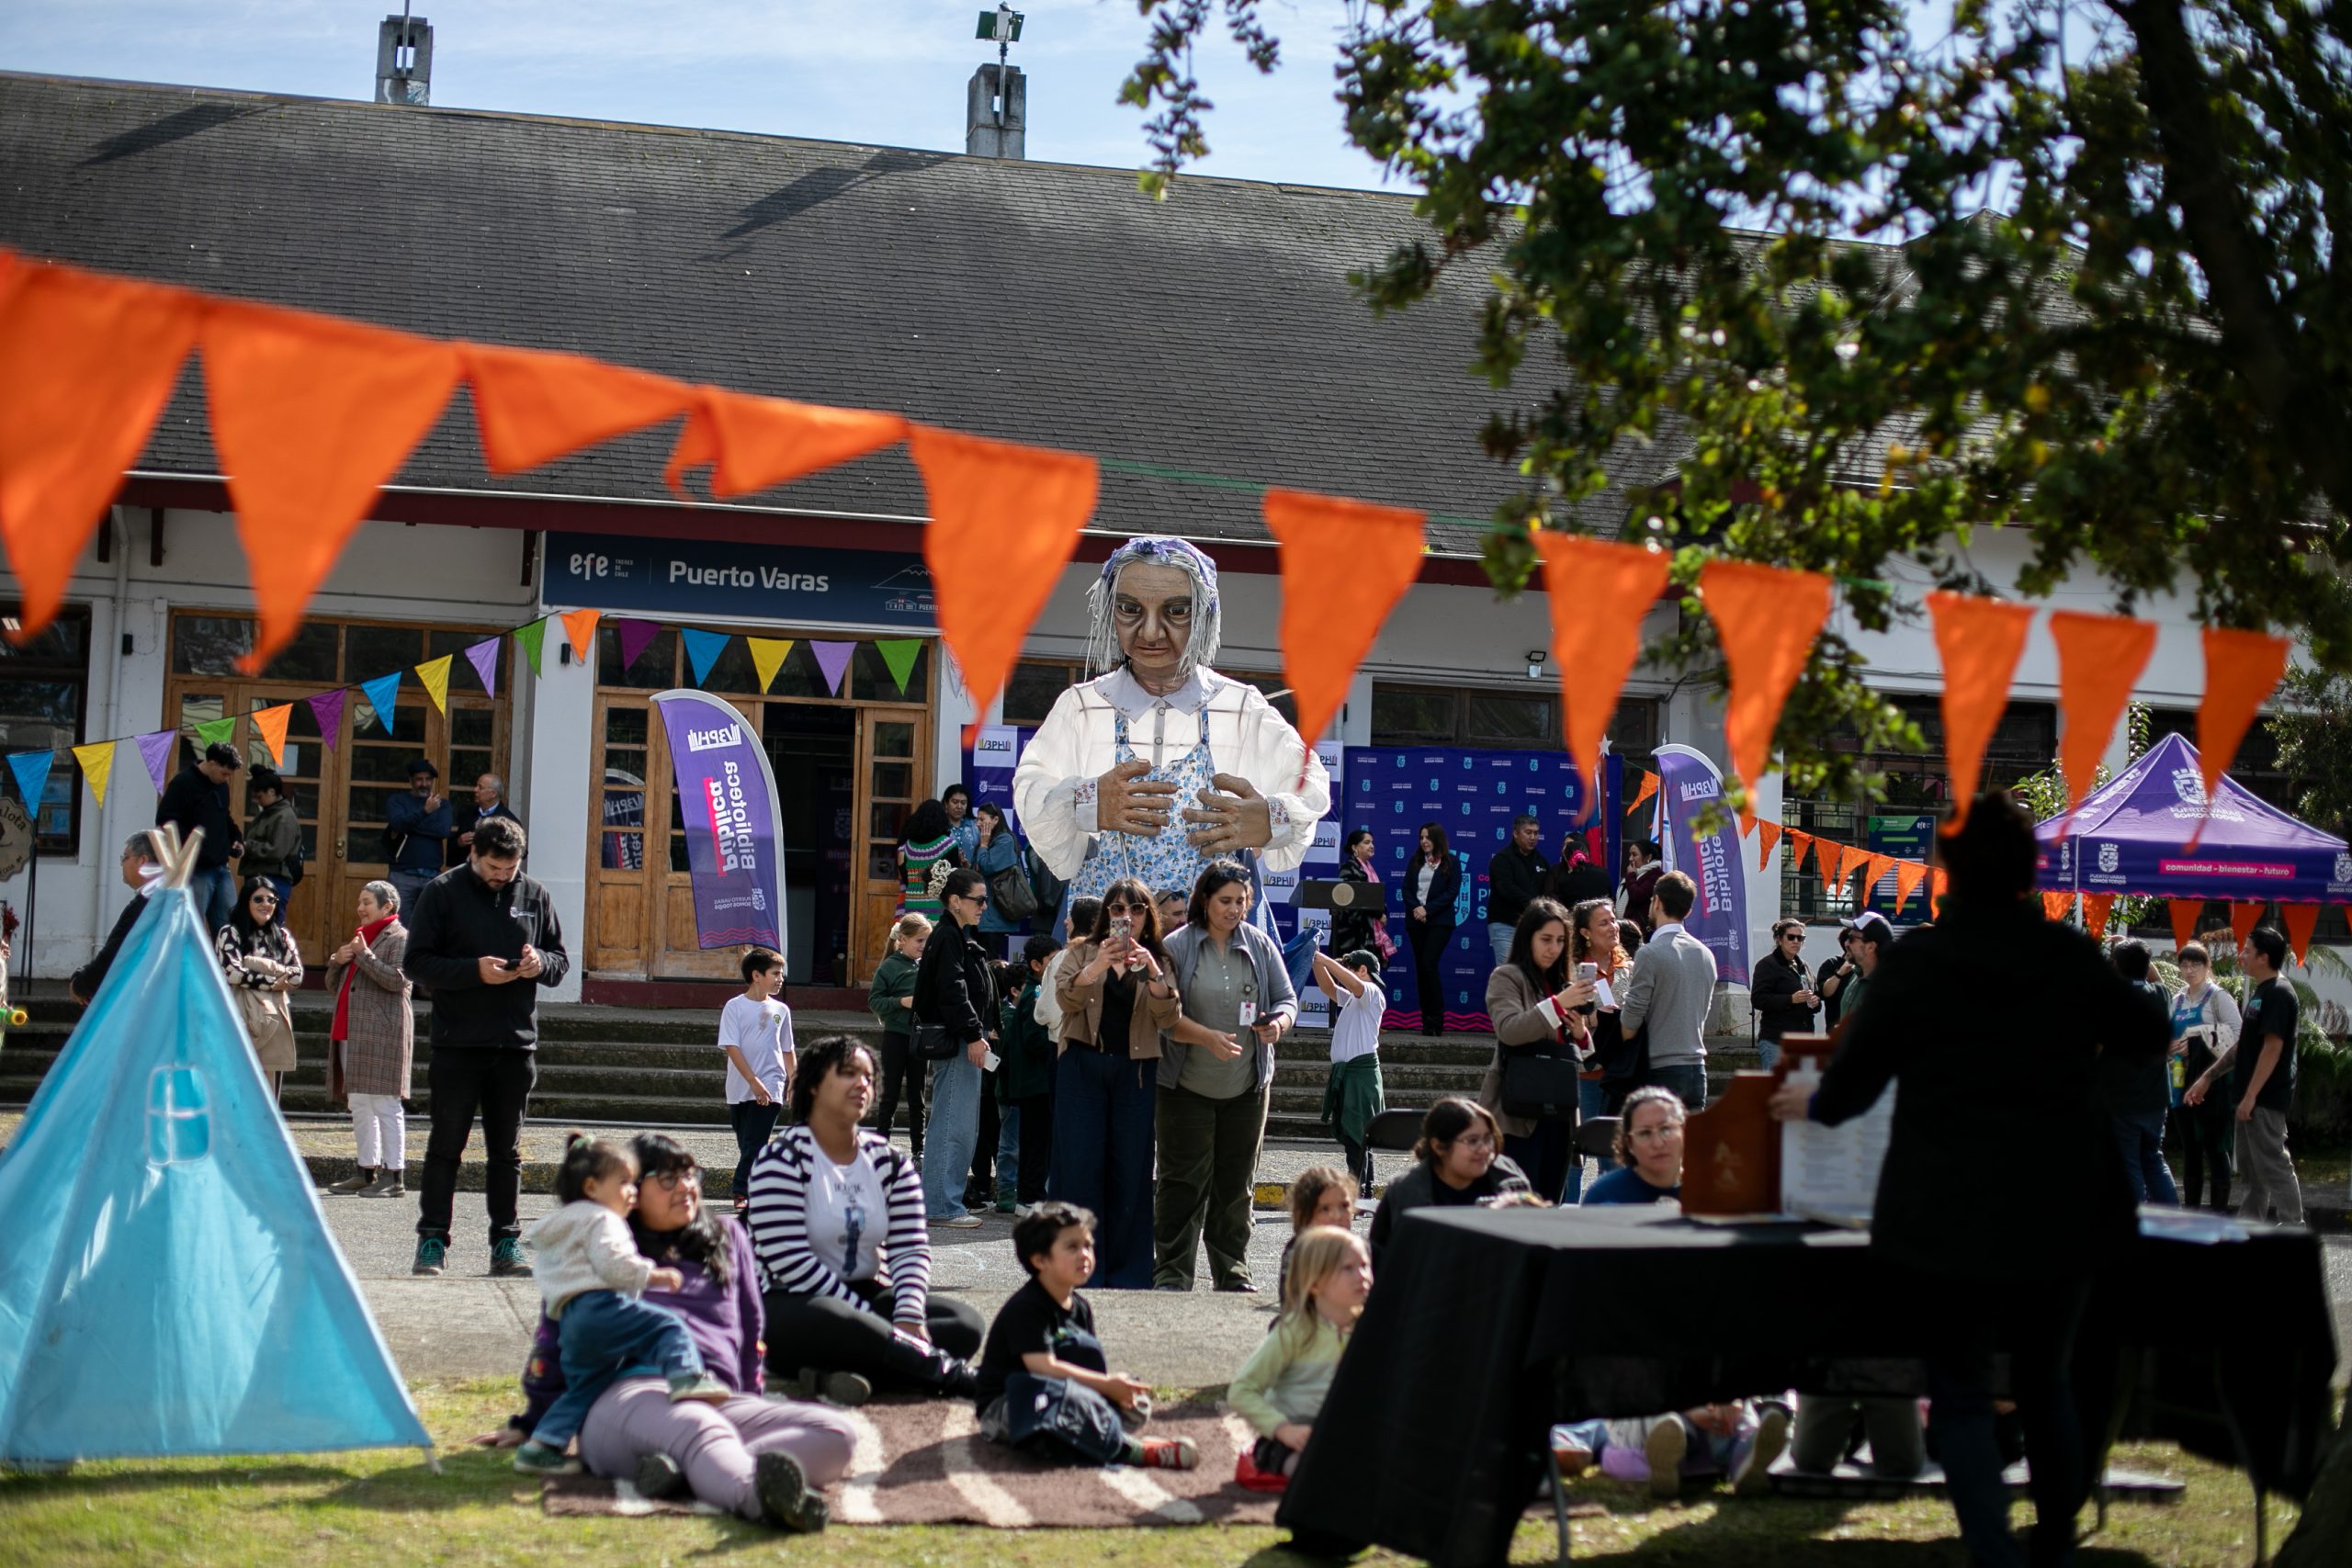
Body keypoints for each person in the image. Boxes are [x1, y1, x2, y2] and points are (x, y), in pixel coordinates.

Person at [1767, 790, 2169, 1568]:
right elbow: (2148, 1030)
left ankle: (1992, 1551)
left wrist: (1808, 1102)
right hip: (2063, 1202)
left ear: (1948, 870)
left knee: (1958, 1388)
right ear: (2028, 871)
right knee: (2047, 1381)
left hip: (1946, 1209)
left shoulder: (1920, 962)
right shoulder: (2062, 952)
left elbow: (1850, 1088)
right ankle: (2054, 1545)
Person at [495, 1132, 853, 1530]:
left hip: (711, 1393)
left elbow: (751, 1329)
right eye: (667, 1178)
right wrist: (531, 1423)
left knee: (837, 1433)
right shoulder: (603, 1244)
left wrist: (747, 1397)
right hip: (624, 1397)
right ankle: (760, 1499)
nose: (685, 1186)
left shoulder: (726, 1235)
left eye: (690, 1174)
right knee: (699, 1428)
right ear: (630, 1189)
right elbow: (556, 1337)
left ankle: (688, 1472)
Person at [1010, 533, 1329, 945]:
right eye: (1130, 609)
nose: (1151, 631)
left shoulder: (1239, 707)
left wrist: (1270, 819)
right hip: (1111, 932)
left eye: (1176, 611)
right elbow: (1031, 789)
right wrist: (1087, 801)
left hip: (1210, 938)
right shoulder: (1083, 707)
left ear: (1205, 615)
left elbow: (1309, 784)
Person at [746, 1033, 984, 1402]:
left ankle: (839, 1372)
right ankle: (949, 1375)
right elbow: (789, 1261)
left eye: (869, 1077)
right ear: (812, 1086)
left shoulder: (889, 1161)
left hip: (865, 1292)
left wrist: (908, 1315)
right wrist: (871, 1321)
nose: (862, 1084)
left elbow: (910, 1247)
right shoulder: (781, 1159)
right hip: (794, 1301)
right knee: (835, 1319)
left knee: (964, 1325)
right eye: (847, 1073)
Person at [403, 814, 570, 1279]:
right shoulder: (441, 892)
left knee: (507, 1153)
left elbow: (560, 961)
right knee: (445, 1147)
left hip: (515, 1044)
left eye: (510, 869)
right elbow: (416, 963)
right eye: (494, 868)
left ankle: (506, 1244)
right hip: (457, 1043)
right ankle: (432, 1241)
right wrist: (472, 971)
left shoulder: (535, 894)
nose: (502, 876)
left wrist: (540, 963)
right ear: (473, 854)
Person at [510, 1135, 730, 1476]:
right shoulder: (603, 1219)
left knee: (585, 1388)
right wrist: (652, 1275)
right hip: (600, 1305)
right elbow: (614, 1263)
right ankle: (686, 1378)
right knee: (667, 1327)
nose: (633, 1192)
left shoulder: (565, 1223)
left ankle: (541, 1446)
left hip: (570, 1319)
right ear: (592, 1187)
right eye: (625, 1182)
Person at [1157, 860, 1298, 1292]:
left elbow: (1287, 999)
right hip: (1185, 1088)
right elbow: (1163, 1016)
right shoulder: (1177, 945)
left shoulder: (1259, 943)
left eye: (1241, 901)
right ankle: (1172, 1272)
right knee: (1181, 1183)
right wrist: (1206, 1038)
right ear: (1204, 900)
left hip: (1246, 1087)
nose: (1234, 909)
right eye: (1225, 901)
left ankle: (1232, 1270)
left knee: (1236, 1185)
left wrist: (1278, 1025)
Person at [974, 1201, 1198, 1471]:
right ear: (1039, 1259)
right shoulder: (1027, 1307)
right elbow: (1043, 1369)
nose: (1085, 1255)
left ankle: (1087, 1430)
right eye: (1072, 1247)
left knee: (1136, 1404)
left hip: (1067, 1393)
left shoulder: (1081, 1307)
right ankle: (1131, 1451)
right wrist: (1105, 1385)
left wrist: (1114, 1388)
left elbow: (1085, 1362)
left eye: (1088, 1246)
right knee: (1062, 1404)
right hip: (1012, 1404)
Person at [1050, 877, 1182, 1287]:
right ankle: (1079, 1268)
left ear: (1148, 915)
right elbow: (1065, 999)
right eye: (1118, 909)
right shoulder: (1081, 951)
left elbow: (1169, 1018)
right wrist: (1097, 967)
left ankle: (1129, 1274)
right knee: (1079, 1168)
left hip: (1135, 1072)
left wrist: (1153, 972)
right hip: (1082, 1066)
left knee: (1132, 1169)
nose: (1127, 917)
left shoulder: (1159, 958)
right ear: (1106, 914)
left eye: (1136, 909)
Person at [1228, 1226, 1372, 1484]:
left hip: (1349, 1435)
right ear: (1314, 1283)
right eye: (1348, 1268)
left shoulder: (1374, 1329)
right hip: (1293, 1440)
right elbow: (1241, 1390)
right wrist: (1283, 1429)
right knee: (1316, 1469)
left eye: (1364, 1265)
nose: (1362, 1276)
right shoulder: (1293, 1332)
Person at [2185, 924, 2302, 1224]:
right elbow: (2244, 1046)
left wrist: (2252, 1095)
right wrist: (2208, 1077)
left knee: (2274, 1164)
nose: (2242, 956)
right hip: (2249, 1097)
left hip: (2265, 1097)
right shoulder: (2262, 991)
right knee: (2253, 1171)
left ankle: (2293, 1226)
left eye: (2248, 951)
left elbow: (2272, 1048)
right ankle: (2251, 1225)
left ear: (2264, 957)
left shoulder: (2279, 993)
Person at [1481, 897, 1597, 1203]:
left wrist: (1580, 1034)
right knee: (1515, 1207)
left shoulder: (1562, 983)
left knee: (1550, 1204)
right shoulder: (1507, 976)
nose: (1553, 948)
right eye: (1546, 939)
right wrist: (1558, 1004)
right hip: (1517, 1114)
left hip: (1559, 1113)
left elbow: (1585, 1058)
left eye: (1560, 940)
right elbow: (1510, 1030)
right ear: (1527, 937)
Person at [914, 866, 999, 1227]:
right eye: (978, 900)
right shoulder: (948, 936)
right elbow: (953, 992)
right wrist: (975, 1034)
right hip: (958, 1044)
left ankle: (942, 1201)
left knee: (958, 1125)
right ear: (955, 901)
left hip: (963, 1041)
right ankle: (941, 1205)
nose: (984, 906)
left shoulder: (953, 935)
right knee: (953, 1125)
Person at [1366, 1098, 1530, 1270]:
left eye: (1488, 1139)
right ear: (1438, 1146)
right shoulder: (1406, 1193)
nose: (1484, 1150)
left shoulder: (1510, 1179)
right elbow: (1382, 1264)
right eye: (1472, 1141)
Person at [323, 879, 412, 1198]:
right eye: (359, 902)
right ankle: (366, 1169)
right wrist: (338, 960)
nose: (360, 908)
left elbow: (398, 980)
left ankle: (395, 1175)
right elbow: (334, 985)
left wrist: (363, 956)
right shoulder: (362, 938)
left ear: (387, 906)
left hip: (383, 1032)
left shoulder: (400, 937)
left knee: (386, 1103)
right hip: (352, 1030)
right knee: (359, 1103)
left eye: (366, 902)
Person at [1619, 871, 1716, 1110]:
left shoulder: (1649, 953)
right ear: (1688, 911)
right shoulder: (1705, 954)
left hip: (1661, 1067)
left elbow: (1631, 1020)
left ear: (1657, 902)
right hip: (1697, 1067)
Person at [2167, 941, 2242, 1210]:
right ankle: (2192, 1214)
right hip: (2180, 1081)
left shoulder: (2218, 997)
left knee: (2215, 1148)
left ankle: (2218, 1215)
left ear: (2207, 966)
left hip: (2212, 1085)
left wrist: (2198, 1042)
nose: (2189, 970)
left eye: (2195, 965)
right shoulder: (2177, 1000)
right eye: (2184, 965)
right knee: (2190, 1150)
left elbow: (2238, 1037)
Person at [1568, 897, 1639, 1179]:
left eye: (1613, 921)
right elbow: (1562, 1018)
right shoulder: (1573, 970)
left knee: (1614, 1155)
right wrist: (1593, 1018)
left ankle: (1608, 1203)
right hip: (1584, 1072)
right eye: (1604, 923)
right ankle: (1568, 1205)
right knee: (1577, 1151)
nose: (1613, 927)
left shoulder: (1630, 968)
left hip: (1620, 1073)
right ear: (1585, 932)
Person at [720, 948, 794, 1213]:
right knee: (747, 1143)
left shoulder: (781, 1010)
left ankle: (741, 1190)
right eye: (775, 973)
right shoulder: (734, 1007)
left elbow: (787, 1048)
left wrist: (794, 1078)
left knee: (755, 1142)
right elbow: (731, 1046)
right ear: (756, 975)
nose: (780, 979)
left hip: (772, 1083)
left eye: (781, 974)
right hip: (740, 1086)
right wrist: (752, 1080)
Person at [216, 876, 302, 1102]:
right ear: (246, 901)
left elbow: (297, 975)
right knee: (237, 1088)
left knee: (269, 1095)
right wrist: (274, 980)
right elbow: (232, 972)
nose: (266, 904)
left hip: (275, 1016)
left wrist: (253, 965)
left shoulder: (282, 936)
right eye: (259, 899)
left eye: (271, 900)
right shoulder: (230, 933)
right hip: (240, 1016)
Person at [2105, 940, 2178, 1205]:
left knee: (2128, 1164)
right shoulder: (2161, 995)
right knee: (2153, 1159)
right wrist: (2136, 953)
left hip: (2122, 1097)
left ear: (2116, 965)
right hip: (2156, 1097)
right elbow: (2155, 977)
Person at [1310, 944, 1387, 1194]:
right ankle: (1362, 1190)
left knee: (1358, 1136)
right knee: (1353, 1136)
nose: (1346, 973)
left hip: (1361, 1074)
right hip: (1350, 1074)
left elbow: (1353, 984)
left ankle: (1360, 1191)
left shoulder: (1372, 991)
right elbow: (1329, 988)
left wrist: (1323, 958)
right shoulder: (1355, 999)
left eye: (1350, 969)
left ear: (1362, 970)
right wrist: (1315, 961)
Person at [997, 934, 1061, 1213]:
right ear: (1036, 964)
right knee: (1037, 1143)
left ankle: (1029, 1195)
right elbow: (1034, 1039)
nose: (1058, 965)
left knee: (1036, 1142)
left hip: (1035, 1082)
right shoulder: (1035, 993)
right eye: (1052, 960)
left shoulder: (1039, 989)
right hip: (1036, 1082)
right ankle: (1030, 1197)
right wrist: (1059, 1040)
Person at [157, 739, 242, 934]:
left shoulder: (222, 786)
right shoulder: (182, 783)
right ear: (211, 763)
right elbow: (166, 821)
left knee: (230, 927)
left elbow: (224, 817)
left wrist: (236, 838)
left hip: (221, 867)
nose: (226, 779)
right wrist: (195, 848)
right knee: (191, 926)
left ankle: (226, 956)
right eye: (224, 773)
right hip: (195, 868)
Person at [68, 830, 161, 1003]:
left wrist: (82, 984)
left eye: (125, 858)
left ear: (142, 861)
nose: (121, 864)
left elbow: (116, 954)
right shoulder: (170, 899)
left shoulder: (145, 906)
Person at [866, 912, 930, 1161]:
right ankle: (881, 1146)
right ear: (902, 939)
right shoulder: (889, 967)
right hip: (895, 1036)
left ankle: (919, 1149)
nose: (923, 946)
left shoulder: (928, 966)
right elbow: (875, 1001)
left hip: (920, 1038)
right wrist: (901, 1002)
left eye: (926, 941)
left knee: (918, 1096)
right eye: (919, 941)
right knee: (889, 1094)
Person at [1580, 1086, 1686, 1204]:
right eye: (1644, 1133)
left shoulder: (1703, 1189)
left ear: (1685, 1132)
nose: (1658, 1143)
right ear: (1629, 1143)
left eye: (1666, 1130)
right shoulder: (1604, 1195)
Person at [1405, 822, 1460, 1036]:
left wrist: (1427, 909)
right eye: (1421, 837)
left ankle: (1437, 1019)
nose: (1424, 841)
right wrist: (1417, 909)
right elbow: (1406, 889)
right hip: (1416, 921)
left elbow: (1451, 892)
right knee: (1422, 969)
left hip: (1439, 921)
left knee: (1429, 965)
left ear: (1437, 839)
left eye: (1428, 837)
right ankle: (1427, 1021)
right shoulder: (1415, 861)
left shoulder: (1451, 862)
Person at [384, 758, 453, 915]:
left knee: (429, 924)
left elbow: (443, 831)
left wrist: (410, 825)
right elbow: (398, 824)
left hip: (431, 875)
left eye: (428, 779)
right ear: (411, 781)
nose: (424, 784)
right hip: (402, 874)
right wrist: (425, 812)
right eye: (419, 779)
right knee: (399, 924)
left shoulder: (442, 804)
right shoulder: (397, 801)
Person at [1750, 917, 1820, 1071]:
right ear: (1779, 939)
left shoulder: (1804, 966)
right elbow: (1758, 999)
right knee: (1776, 1085)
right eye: (1791, 937)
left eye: (1800, 938)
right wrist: (1790, 999)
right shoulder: (1767, 965)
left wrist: (1816, 1001)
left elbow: (1816, 995)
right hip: (1776, 1041)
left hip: (1804, 1041)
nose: (1796, 941)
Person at [1278, 1168, 1359, 1299]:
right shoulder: (1299, 1252)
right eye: (1324, 1209)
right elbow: (1293, 1301)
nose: (1337, 1216)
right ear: (1305, 1216)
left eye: (1344, 1206)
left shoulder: (1358, 1250)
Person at [1486, 814, 1550, 966]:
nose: (1533, 837)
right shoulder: (1502, 859)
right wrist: (1534, 904)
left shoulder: (1541, 861)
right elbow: (1505, 888)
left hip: (1533, 927)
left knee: (1531, 972)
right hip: (1505, 925)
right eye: (1528, 832)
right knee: (1509, 971)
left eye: (1536, 833)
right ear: (1515, 833)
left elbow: (1547, 890)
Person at [1035, 896, 1101, 1042]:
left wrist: (1041, 1012)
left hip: (1065, 1039)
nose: (1066, 921)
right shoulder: (1109, 956)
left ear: (1082, 920)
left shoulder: (1065, 957)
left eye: (1071, 916)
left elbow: (1050, 1009)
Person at [238, 764, 301, 906]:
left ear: (271, 792)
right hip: (260, 878)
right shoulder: (267, 814)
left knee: (270, 918)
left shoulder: (284, 817)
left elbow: (276, 851)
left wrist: (248, 846)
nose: (257, 801)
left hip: (274, 880)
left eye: (259, 796)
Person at [972, 803, 1027, 945]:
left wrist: (983, 845)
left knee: (990, 956)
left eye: (982, 819)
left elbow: (987, 866)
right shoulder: (989, 839)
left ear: (995, 820)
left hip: (995, 916)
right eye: (977, 819)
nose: (978, 824)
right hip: (983, 916)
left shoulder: (1005, 840)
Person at [896, 799, 959, 923]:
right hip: (938, 907)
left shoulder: (906, 848)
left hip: (912, 908)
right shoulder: (949, 845)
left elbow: (907, 881)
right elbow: (954, 880)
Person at [1329, 829, 1386, 959]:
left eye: (1372, 842)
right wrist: (1378, 914)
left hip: (1367, 930)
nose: (1371, 846)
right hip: (1352, 933)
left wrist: (1382, 913)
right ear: (1354, 847)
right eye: (1366, 842)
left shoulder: (1368, 868)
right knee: (1351, 968)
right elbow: (1357, 897)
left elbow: (1376, 895)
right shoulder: (1349, 868)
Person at [450, 772, 523, 864]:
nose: (475, 790)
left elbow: (522, 851)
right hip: (467, 869)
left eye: (480, 788)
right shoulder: (468, 813)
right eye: (476, 786)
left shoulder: (508, 819)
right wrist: (459, 842)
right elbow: (451, 846)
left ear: (493, 794)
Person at [1838, 910, 1894, 1021]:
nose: (1846, 943)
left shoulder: (1890, 987)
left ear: (1870, 947)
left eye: (1851, 938)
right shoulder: (1856, 976)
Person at [1543, 830, 1612, 912]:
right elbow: (1549, 895)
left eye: (1570, 845)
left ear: (1583, 849)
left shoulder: (1599, 874)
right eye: (1564, 845)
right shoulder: (1555, 871)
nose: (1565, 849)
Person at [1815, 926, 1862, 1027]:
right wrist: (1839, 973)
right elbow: (1824, 993)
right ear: (1846, 944)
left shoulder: (1865, 967)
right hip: (1835, 1029)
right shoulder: (1832, 964)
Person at [1616, 840, 1663, 932]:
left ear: (1648, 857)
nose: (1630, 859)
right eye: (1630, 854)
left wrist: (1631, 875)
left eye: (1634, 855)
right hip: (1624, 928)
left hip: (1640, 930)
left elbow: (1637, 895)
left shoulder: (1655, 875)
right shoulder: (1634, 874)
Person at [942, 781, 980, 864]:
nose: (959, 807)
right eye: (955, 802)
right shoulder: (939, 825)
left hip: (972, 871)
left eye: (963, 803)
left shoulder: (976, 825)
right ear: (946, 804)